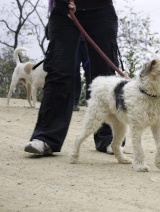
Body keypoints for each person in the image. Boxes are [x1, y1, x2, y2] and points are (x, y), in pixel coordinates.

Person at [24, 0, 121, 155]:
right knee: (58, 71)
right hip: (64, 11)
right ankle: (46, 138)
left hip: (101, 10)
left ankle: (109, 139)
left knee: (105, 75)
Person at [73, 35, 90, 111]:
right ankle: (73, 102)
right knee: (74, 70)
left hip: (89, 38)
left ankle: (90, 102)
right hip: (74, 38)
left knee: (90, 71)